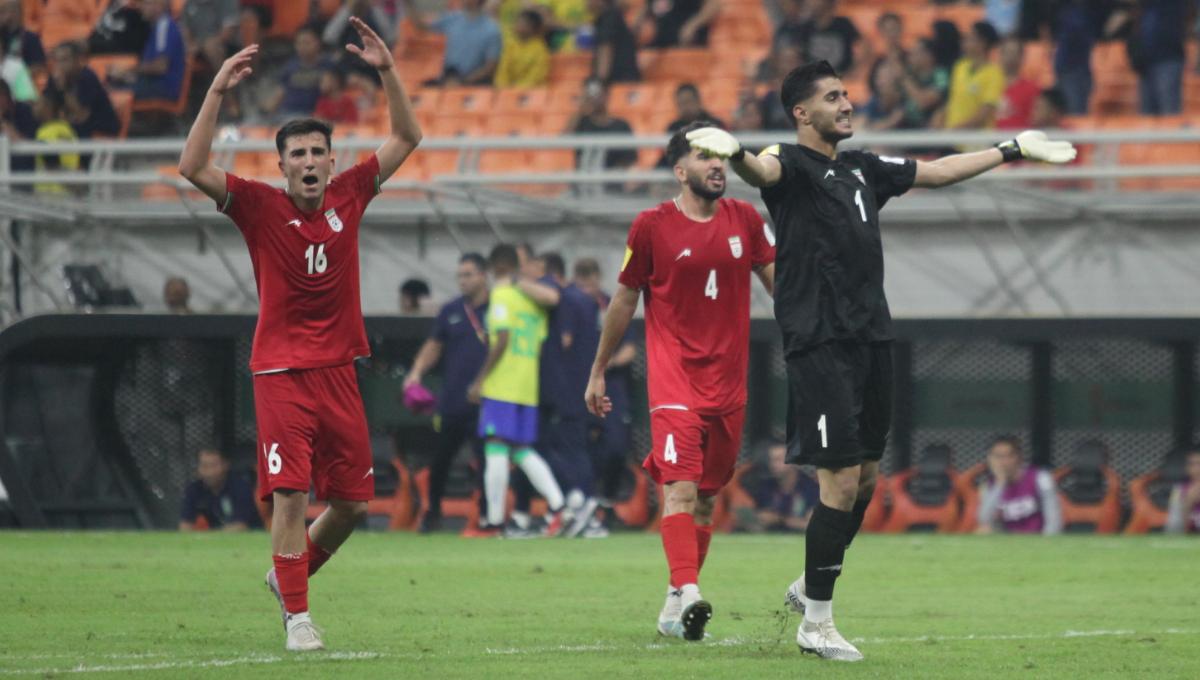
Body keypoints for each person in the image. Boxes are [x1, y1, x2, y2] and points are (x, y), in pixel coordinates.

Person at [687, 59, 1074, 660]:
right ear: (801, 113)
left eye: (847, 93)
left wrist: (1012, 147)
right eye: (833, 96)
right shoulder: (789, 165)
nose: (847, 103)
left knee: (865, 479)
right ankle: (816, 624)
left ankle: (810, 582)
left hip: (872, 339)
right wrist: (736, 153)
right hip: (820, 343)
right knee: (838, 480)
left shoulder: (864, 168)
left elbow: (940, 171)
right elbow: (760, 170)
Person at [177, 15, 422, 651]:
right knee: (291, 495)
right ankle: (298, 619)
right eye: (298, 155)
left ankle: (288, 579)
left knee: (351, 506)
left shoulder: (352, 192)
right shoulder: (258, 206)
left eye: (318, 152)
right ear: (281, 166)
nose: (309, 163)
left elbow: (408, 135)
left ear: (331, 160)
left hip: (340, 369)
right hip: (281, 370)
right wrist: (216, 92)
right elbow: (191, 165)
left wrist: (388, 70)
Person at [585, 121, 776, 641]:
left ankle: (674, 604)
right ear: (680, 169)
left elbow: (776, 278)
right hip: (674, 381)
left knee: (709, 498)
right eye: (703, 156)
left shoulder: (746, 219)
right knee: (682, 490)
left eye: (720, 155)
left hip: (729, 384)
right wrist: (599, 369)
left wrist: (814, 323)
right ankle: (690, 592)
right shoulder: (650, 226)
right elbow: (625, 298)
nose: (717, 164)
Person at [467, 244, 566, 534]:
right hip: (527, 384)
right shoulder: (531, 300)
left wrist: (480, 379)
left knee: (495, 446)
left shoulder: (502, 295)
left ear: (495, 268)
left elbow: (503, 338)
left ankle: (495, 520)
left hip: (503, 383)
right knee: (521, 449)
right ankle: (558, 504)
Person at [405, 253, 490, 533]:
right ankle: (433, 513)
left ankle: (489, 516)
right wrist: (416, 372)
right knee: (440, 461)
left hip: (487, 401)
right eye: (460, 276)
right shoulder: (451, 310)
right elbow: (434, 345)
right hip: (453, 401)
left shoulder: (498, 308)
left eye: (469, 274)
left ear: (483, 275)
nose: (464, 281)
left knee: (488, 462)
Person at [575, 258, 636, 533]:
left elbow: (630, 349)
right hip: (580, 387)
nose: (587, 287)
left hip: (613, 387)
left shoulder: (613, 305)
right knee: (582, 448)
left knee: (616, 447)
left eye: (591, 280)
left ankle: (608, 500)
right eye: (581, 282)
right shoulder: (571, 308)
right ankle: (585, 505)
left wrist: (602, 365)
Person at [975, 435, 1062, 535]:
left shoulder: (1040, 477)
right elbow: (984, 519)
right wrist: (1000, 484)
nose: (1004, 462)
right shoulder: (990, 486)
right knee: (982, 531)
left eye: (1009, 456)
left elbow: (1054, 518)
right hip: (1008, 541)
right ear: (990, 459)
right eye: (998, 456)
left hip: (1037, 538)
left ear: (1019, 457)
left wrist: (1046, 544)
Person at [406, 0, 502, 86]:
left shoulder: (491, 29)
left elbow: (490, 67)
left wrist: (463, 82)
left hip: (472, 82)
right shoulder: (454, 18)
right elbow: (422, 28)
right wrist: (409, 4)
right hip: (449, 76)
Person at [43, 42, 121, 139]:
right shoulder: (55, 78)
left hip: (99, 130)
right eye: (57, 61)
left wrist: (63, 89)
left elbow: (81, 116)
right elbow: (46, 112)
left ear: (77, 60)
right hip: (73, 128)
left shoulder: (87, 77)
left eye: (64, 60)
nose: (60, 65)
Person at [179, 448, 259, 531]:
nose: (209, 472)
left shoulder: (240, 487)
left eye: (214, 465)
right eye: (204, 466)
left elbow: (240, 526)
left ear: (225, 465)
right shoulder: (193, 490)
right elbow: (185, 526)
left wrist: (209, 538)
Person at [942, 21, 1004, 130]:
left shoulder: (994, 73)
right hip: (953, 139)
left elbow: (986, 110)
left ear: (983, 42)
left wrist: (959, 129)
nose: (964, 42)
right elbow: (953, 100)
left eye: (970, 38)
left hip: (977, 139)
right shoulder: (960, 67)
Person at [265, 26, 333, 120]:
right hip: (287, 113)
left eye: (307, 43)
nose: (303, 47)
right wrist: (267, 112)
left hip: (313, 115)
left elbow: (327, 89)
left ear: (318, 43)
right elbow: (280, 92)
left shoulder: (327, 64)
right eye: (299, 43)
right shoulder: (290, 66)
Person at [568, 78, 636, 170]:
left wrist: (613, 174)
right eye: (590, 93)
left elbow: (630, 159)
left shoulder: (622, 126)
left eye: (598, 93)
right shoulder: (582, 123)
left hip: (612, 179)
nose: (594, 98)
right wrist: (581, 109)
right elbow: (564, 139)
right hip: (585, 177)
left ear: (607, 95)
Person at [752, 441, 819, 533]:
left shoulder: (811, 488)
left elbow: (812, 525)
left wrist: (780, 519)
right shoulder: (767, 487)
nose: (773, 465)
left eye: (778, 460)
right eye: (771, 460)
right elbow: (757, 517)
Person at [32, 90, 79, 195]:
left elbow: (52, 164)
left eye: (38, 103)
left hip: (48, 196)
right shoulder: (69, 130)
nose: (34, 108)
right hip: (69, 195)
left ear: (47, 108)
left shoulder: (44, 133)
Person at [495, 9, 550, 87]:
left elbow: (536, 76)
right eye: (517, 23)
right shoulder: (510, 44)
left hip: (533, 92)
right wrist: (503, 86)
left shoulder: (540, 49)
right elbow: (502, 70)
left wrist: (517, 89)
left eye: (522, 24)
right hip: (508, 91)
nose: (517, 26)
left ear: (533, 28)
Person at [587, 0, 639, 83]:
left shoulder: (609, 17)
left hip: (620, 82)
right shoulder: (611, 16)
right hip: (622, 80)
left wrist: (600, 83)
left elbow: (606, 50)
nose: (586, 3)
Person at [995, 38, 1040, 130]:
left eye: (1015, 53)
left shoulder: (1032, 89)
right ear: (1000, 55)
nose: (1011, 57)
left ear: (1022, 57)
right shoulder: (989, 85)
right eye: (1007, 53)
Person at [635, 0, 719, 48]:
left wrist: (692, 25)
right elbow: (647, 8)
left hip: (685, 46)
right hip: (656, 47)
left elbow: (714, 4)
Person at [0, 0, 44, 72]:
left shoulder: (30, 38)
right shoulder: (2, 38)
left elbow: (38, 67)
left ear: (17, 12)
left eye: (3, 12)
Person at [1165, 447, 1200, 534]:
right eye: (1192, 464)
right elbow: (1174, 524)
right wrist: (1188, 502)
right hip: (1189, 531)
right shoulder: (1179, 489)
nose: (1196, 468)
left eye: (1199, 463)